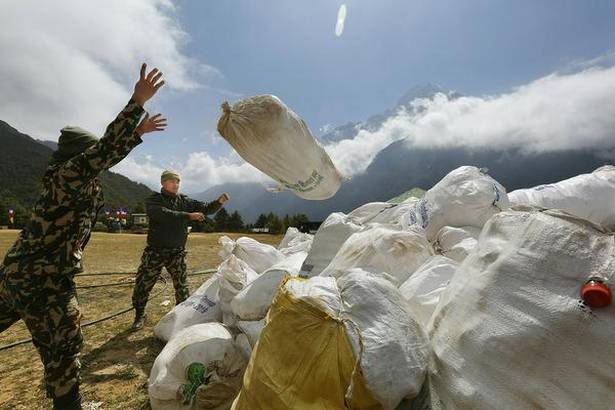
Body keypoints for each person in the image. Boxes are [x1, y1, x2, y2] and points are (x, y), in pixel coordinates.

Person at [0, 63, 167, 410]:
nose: (99, 163)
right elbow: (104, 152)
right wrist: (135, 103)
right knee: (64, 351)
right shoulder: (67, 176)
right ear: (78, 157)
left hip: (18, 275)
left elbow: (106, 153)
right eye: (90, 157)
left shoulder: (80, 184)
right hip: (43, 284)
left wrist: (135, 135)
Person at [130, 170, 229, 330]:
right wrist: (188, 216)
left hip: (177, 252)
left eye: (177, 182)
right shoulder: (154, 200)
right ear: (163, 183)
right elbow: (163, 214)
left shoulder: (184, 200)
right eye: (172, 181)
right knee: (143, 285)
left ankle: (181, 317)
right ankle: (139, 315)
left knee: (182, 287)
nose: (175, 184)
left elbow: (205, 208)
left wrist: (218, 202)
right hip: (155, 251)